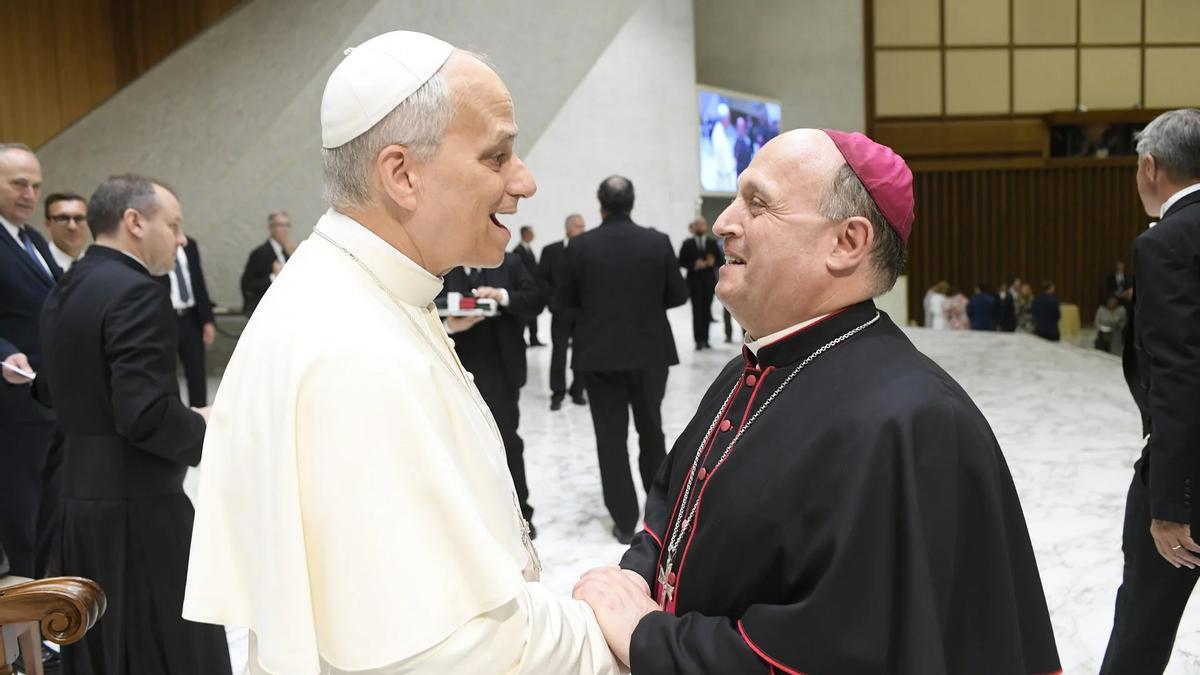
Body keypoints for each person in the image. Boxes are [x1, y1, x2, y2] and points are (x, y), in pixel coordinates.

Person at [182, 31, 621, 674]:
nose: (523, 180)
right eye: (496, 156)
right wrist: (604, 627)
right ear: (403, 174)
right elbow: (446, 647)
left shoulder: (370, 290)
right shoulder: (347, 344)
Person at [571, 128, 1061, 674]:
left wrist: (648, 637)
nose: (724, 222)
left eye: (757, 204)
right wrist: (636, 576)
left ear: (846, 243)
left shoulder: (912, 422)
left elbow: (839, 651)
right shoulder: (752, 369)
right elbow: (679, 504)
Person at [38, 174, 231, 675]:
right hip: (139, 508)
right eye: (173, 224)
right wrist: (215, 431)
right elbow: (144, 415)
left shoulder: (69, 285)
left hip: (78, 504)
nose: (181, 238)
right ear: (135, 222)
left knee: (109, 651)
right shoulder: (139, 292)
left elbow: (54, 388)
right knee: (170, 650)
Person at [1102, 108, 1200, 674]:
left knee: (1143, 623)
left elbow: (1179, 374)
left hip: (1190, 480)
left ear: (1150, 165)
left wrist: (1169, 502)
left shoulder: (1165, 244)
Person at [560, 175, 688, 544]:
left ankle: (623, 518)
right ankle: (659, 513)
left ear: (600, 203)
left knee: (610, 439)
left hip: (598, 357)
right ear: (632, 202)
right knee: (652, 430)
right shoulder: (656, 242)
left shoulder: (579, 247)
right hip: (650, 353)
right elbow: (678, 295)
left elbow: (565, 302)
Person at [439, 252, 546, 536]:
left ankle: (521, 512)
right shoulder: (442, 263)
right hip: (454, 365)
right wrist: (451, 325)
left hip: (501, 366)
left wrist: (501, 295)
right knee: (460, 445)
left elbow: (535, 300)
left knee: (507, 442)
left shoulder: (508, 262)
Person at [0, 144, 64, 593]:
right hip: (12, 400)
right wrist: (3, 351)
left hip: (51, 396)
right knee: (19, 511)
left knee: (48, 504)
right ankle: (22, 609)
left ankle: (42, 601)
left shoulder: (32, 239)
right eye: (18, 184)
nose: (29, 194)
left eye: (35, 185)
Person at [538, 213, 587, 410]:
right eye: (578, 226)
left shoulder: (589, 250)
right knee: (559, 353)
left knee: (581, 353)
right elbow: (541, 279)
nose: (582, 230)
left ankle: (578, 390)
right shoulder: (551, 251)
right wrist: (551, 301)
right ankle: (557, 392)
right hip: (560, 311)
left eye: (584, 226)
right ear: (567, 228)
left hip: (583, 312)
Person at [162, 235, 216, 406]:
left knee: (197, 371)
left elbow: (198, 280)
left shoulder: (189, 245)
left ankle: (199, 414)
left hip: (191, 316)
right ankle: (173, 417)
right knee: (166, 371)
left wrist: (207, 319)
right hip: (166, 316)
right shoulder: (156, 244)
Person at [677, 217, 723, 350]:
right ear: (694, 227)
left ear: (706, 226)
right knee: (697, 311)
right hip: (694, 282)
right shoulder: (687, 243)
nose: (700, 227)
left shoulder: (712, 243)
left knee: (707, 310)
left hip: (709, 282)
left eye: (702, 224)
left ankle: (706, 339)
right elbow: (680, 261)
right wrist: (694, 265)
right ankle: (698, 340)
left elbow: (720, 261)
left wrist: (712, 262)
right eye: (697, 225)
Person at [240, 211, 293, 316]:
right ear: (271, 228)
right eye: (280, 225)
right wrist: (273, 277)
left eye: (287, 225)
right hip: (264, 312)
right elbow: (247, 285)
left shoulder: (285, 252)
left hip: (283, 311)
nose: (285, 229)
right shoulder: (261, 253)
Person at [43, 192, 89, 271]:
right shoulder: (38, 264)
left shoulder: (97, 266)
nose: (72, 226)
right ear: (47, 224)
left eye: (79, 218)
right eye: (63, 218)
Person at [513, 224, 543, 346]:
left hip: (533, 288)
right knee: (523, 316)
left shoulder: (529, 249)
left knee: (532, 315)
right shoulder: (518, 250)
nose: (533, 236)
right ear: (525, 234)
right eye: (531, 233)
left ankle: (534, 338)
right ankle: (521, 339)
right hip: (524, 288)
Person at [710, 103, 736, 192]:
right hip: (723, 178)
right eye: (729, 117)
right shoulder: (718, 135)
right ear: (725, 118)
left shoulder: (720, 131)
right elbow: (723, 158)